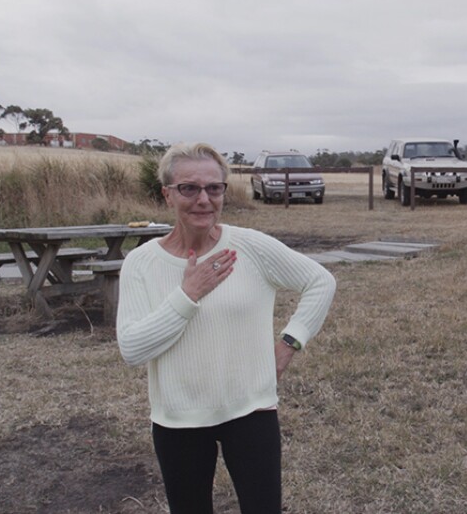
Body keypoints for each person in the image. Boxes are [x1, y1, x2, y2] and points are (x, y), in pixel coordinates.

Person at [116, 142, 336, 513]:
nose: (203, 199)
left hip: (251, 412)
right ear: (167, 195)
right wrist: (187, 295)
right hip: (179, 419)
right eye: (189, 188)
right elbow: (133, 349)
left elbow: (320, 282)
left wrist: (288, 345)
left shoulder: (249, 246)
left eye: (213, 188)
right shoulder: (141, 263)